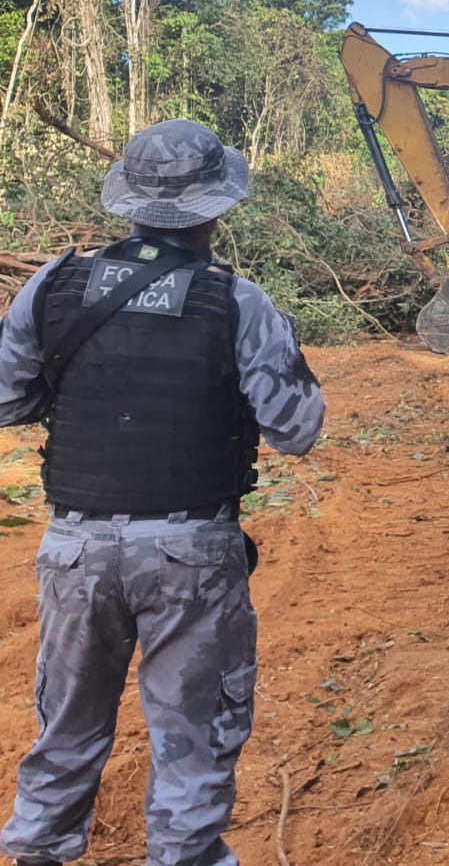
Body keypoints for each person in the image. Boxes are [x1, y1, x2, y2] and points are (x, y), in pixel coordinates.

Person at [0, 119, 326, 866]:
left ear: (130, 201)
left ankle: (40, 852)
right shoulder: (237, 303)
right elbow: (296, 428)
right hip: (190, 555)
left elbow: (6, 400)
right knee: (193, 734)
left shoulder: (53, 284)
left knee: (67, 728)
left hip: (75, 548)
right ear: (216, 207)